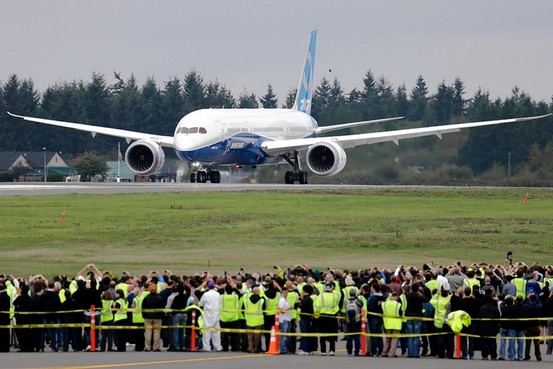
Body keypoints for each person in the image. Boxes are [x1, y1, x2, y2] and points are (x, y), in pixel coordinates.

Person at [315, 281, 342, 356]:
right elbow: (337, 307)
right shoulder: (335, 296)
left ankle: (323, 350)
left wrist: (317, 315)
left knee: (322, 334)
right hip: (332, 317)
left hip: (323, 316)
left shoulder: (320, 296)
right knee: (332, 334)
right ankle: (332, 350)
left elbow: (317, 306)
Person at [404, 282, 429, 358]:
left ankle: (410, 353)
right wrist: (420, 294)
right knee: (416, 336)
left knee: (410, 336)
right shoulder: (419, 297)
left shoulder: (407, 296)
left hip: (409, 316)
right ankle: (415, 353)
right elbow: (427, 300)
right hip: (417, 316)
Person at [199, 279, 223, 352]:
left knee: (207, 331)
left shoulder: (206, 294)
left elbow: (201, 304)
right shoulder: (217, 294)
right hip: (216, 314)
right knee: (216, 332)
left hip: (208, 314)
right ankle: (218, 346)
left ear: (207, 286)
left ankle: (207, 347)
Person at [142, 281, 164, 351]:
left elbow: (143, 308)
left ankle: (147, 347)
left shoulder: (146, 298)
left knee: (148, 332)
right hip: (157, 317)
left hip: (148, 317)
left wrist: (144, 316)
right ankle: (156, 347)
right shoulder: (159, 298)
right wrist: (161, 316)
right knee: (157, 333)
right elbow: (162, 308)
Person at [477, 293, 500, 360]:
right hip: (492, 328)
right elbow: (498, 318)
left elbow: (479, 318)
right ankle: (493, 355)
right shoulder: (495, 309)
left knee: (484, 342)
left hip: (483, 327)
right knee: (492, 342)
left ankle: (484, 355)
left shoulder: (482, 308)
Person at [243, 286, 265, 353]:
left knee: (249, 335)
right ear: (258, 292)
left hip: (249, 319)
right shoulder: (262, 300)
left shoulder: (246, 301)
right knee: (257, 336)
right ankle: (256, 348)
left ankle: (250, 348)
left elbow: (242, 309)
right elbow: (264, 310)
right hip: (258, 320)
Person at [381, 292, 403, 358]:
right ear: (396, 297)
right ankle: (392, 353)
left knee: (387, 339)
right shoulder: (398, 304)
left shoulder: (384, 304)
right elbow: (400, 313)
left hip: (387, 323)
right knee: (394, 339)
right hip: (396, 324)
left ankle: (384, 352)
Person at [523, 293, 542, 361]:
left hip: (528, 326)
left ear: (530, 299)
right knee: (536, 342)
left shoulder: (527, 306)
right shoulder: (538, 306)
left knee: (528, 343)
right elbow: (540, 303)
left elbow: (522, 303)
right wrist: (537, 297)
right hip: (536, 326)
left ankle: (527, 355)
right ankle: (538, 355)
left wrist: (527, 297)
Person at [344, 289, 363, 356]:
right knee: (357, 337)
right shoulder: (358, 301)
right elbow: (361, 308)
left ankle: (349, 351)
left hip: (348, 321)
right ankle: (356, 351)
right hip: (357, 321)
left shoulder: (346, 301)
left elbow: (345, 310)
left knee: (349, 337)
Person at [297, 284, 315, 355]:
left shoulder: (306, 299)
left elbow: (303, 307)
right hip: (309, 318)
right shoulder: (310, 299)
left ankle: (305, 349)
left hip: (304, 318)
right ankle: (310, 349)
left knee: (304, 334)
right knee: (308, 334)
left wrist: (298, 303)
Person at [278, 289, 292, 354]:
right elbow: (282, 311)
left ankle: (286, 348)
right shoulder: (281, 301)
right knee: (283, 335)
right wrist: (289, 308)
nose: (285, 294)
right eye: (284, 292)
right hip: (283, 319)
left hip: (288, 318)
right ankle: (283, 349)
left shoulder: (287, 300)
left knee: (287, 335)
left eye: (286, 292)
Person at [0, 281, 11, 352]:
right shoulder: (7, 297)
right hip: (6, 317)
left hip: (1, 317)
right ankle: (6, 347)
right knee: (6, 333)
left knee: (1, 333)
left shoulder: (0, 297)